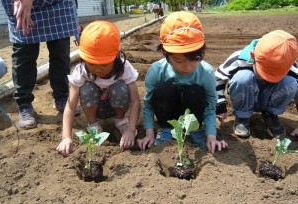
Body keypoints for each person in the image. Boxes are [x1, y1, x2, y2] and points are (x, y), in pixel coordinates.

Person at [137, 11, 228, 153]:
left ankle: (195, 130)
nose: (187, 67)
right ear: (165, 53)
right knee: (164, 90)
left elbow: (210, 106)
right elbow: (148, 104)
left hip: (194, 113)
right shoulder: (157, 71)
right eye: (178, 60)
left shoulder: (206, 72)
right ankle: (166, 129)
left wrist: (211, 136)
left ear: (202, 52)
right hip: (167, 113)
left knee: (194, 92)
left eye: (194, 59)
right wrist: (149, 133)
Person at [56, 21, 140, 157]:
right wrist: (66, 137)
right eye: (92, 63)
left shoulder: (124, 68)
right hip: (95, 107)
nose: (98, 69)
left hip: (116, 106)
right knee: (87, 89)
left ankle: (120, 122)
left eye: (104, 64)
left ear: (117, 55)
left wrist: (131, 130)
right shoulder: (81, 71)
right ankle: (93, 125)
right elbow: (71, 106)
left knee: (119, 87)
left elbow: (135, 101)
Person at [1, 0, 79, 129]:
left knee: (60, 53)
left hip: (57, 4)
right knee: (24, 55)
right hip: (20, 3)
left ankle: (62, 97)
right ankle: (24, 104)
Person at [216, 30, 298, 138]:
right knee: (243, 77)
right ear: (253, 55)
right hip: (245, 96)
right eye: (265, 73)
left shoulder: (290, 66)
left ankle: (270, 115)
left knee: (291, 83)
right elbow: (218, 78)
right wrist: (220, 105)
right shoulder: (239, 58)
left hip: (270, 99)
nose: (269, 79)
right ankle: (242, 117)